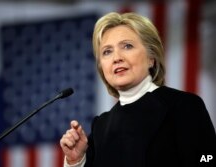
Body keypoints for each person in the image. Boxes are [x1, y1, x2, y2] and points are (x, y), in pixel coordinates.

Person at [60, 12, 216, 167]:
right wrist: (77, 161)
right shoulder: (101, 126)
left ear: (151, 58)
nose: (117, 58)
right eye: (107, 51)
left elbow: (207, 158)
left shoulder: (184, 106)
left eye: (127, 46)